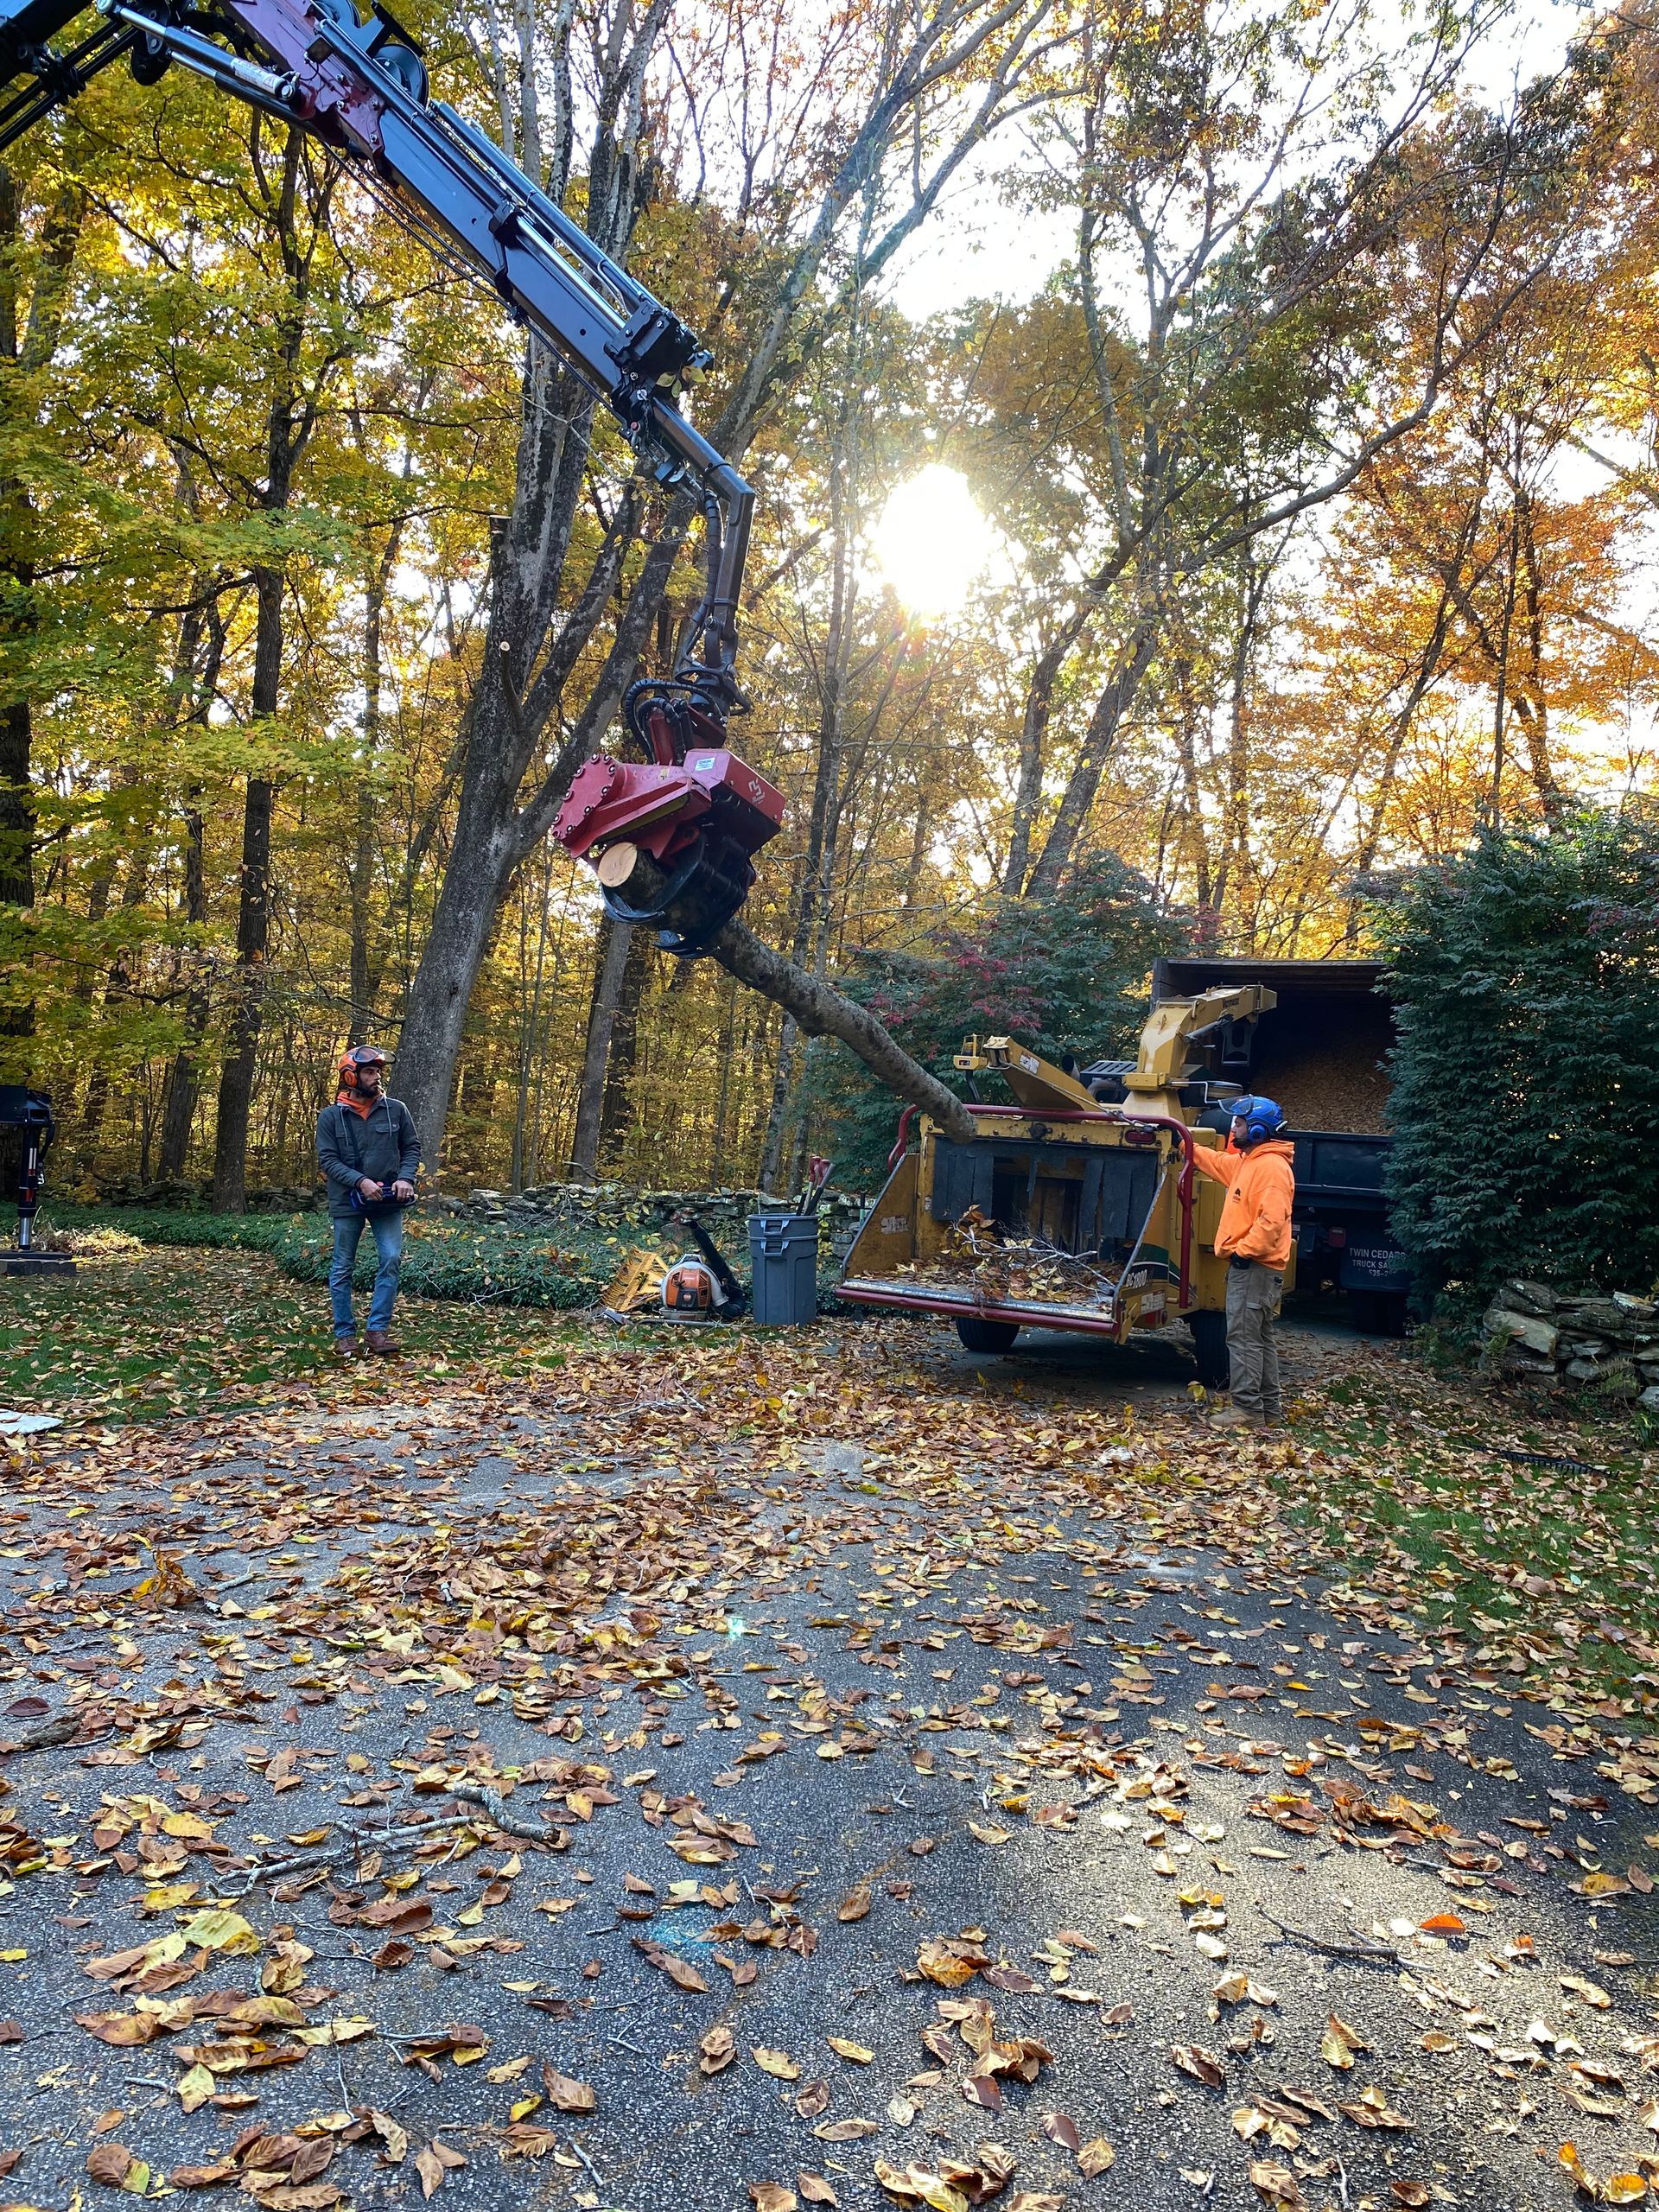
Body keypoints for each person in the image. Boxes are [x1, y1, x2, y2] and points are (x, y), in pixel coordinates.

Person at [1189, 1093, 1294, 1428]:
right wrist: (1184, 1146)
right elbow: (1219, 1163)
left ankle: (1247, 1409)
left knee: (1242, 1338)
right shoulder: (1251, 1162)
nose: (1233, 1127)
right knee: (1258, 1338)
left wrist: (1243, 1252)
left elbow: (1272, 1220)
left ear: (1260, 1130)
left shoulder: (1271, 1168)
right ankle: (1269, 1411)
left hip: (1255, 1268)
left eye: (1239, 1122)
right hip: (1256, 1268)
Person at [315, 1046, 419, 1358]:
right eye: (370, 1072)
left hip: (388, 1202)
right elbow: (328, 1160)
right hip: (347, 1201)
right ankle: (345, 1334)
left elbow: (411, 1148)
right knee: (342, 1266)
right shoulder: (330, 1117)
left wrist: (405, 1179)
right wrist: (360, 1181)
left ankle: (377, 1332)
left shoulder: (396, 1109)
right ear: (351, 1076)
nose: (376, 1077)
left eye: (377, 1072)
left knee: (391, 1259)